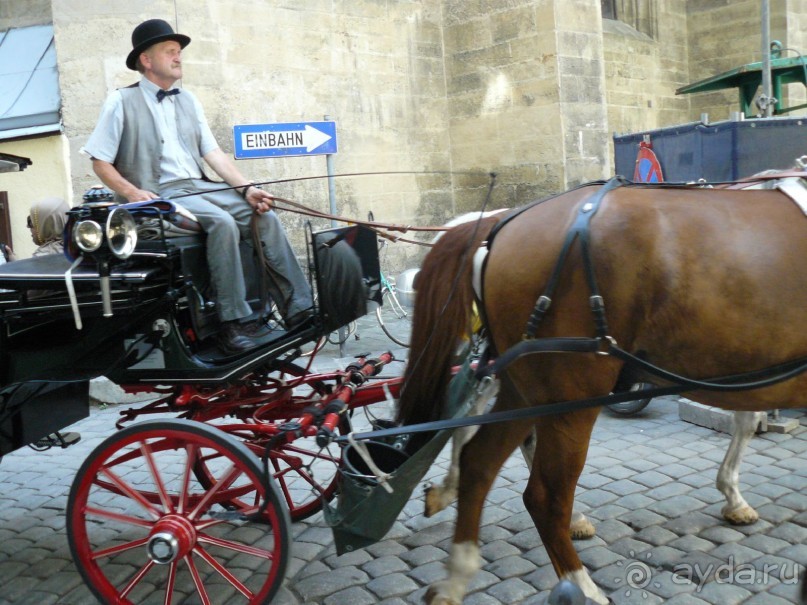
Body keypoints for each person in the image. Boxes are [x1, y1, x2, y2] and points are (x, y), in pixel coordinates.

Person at [83, 18, 313, 355]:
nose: (179, 58)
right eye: (170, 52)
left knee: (263, 216)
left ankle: (299, 309)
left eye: (179, 52)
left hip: (199, 186)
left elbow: (213, 153)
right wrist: (133, 193)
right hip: (161, 194)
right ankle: (230, 324)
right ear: (147, 60)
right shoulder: (120, 102)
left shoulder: (188, 100)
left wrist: (248, 189)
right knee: (220, 224)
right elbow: (99, 162)